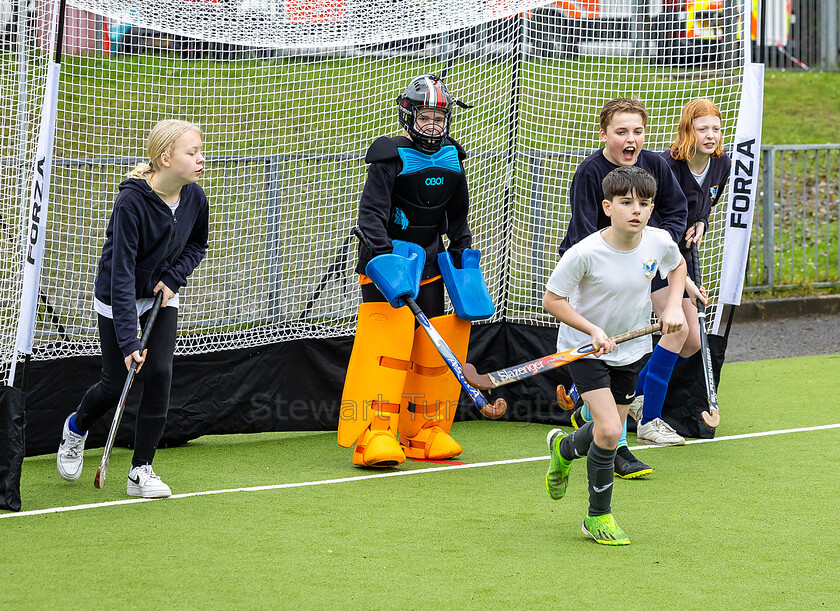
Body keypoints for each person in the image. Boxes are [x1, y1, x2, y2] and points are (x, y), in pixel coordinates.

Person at [56, 120, 209, 498]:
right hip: (118, 297)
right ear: (165, 158)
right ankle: (76, 427)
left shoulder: (195, 198)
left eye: (200, 151)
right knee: (116, 382)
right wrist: (129, 343)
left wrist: (174, 278)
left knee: (159, 373)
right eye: (192, 153)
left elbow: (197, 246)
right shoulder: (131, 204)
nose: (201, 159)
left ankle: (141, 469)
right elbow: (121, 275)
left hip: (161, 294)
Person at [543, 166, 690, 545]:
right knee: (610, 430)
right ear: (608, 207)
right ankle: (598, 517)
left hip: (631, 348)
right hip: (585, 348)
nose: (636, 210)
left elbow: (677, 268)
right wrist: (592, 330)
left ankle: (564, 447)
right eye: (626, 203)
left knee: (609, 433)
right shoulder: (585, 252)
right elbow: (552, 299)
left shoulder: (658, 242)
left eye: (643, 203)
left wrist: (672, 308)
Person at [338, 74, 476, 467]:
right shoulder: (389, 154)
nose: (433, 126)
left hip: (431, 264)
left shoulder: (453, 156)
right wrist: (383, 259)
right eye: (425, 118)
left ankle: (421, 432)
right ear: (407, 117)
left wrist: (464, 251)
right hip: (387, 263)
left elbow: (456, 217)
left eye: (439, 118)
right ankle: (375, 433)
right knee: (387, 350)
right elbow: (371, 213)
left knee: (429, 349)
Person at [558, 97, 688, 476]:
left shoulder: (655, 165)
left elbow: (676, 213)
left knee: (685, 329)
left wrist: (661, 256)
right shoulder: (589, 173)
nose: (631, 140)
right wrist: (626, 260)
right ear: (605, 135)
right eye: (621, 132)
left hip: (644, 261)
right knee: (602, 344)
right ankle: (615, 440)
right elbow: (585, 235)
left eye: (638, 132)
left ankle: (633, 418)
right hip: (598, 271)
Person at [627, 98, 731, 432]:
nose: (710, 135)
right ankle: (648, 417)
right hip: (655, 255)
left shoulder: (721, 164)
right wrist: (682, 279)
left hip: (681, 255)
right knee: (678, 330)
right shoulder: (665, 165)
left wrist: (701, 221)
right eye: (702, 129)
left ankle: (632, 395)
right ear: (688, 130)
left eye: (715, 128)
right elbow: (654, 221)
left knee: (692, 342)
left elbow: (705, 204)